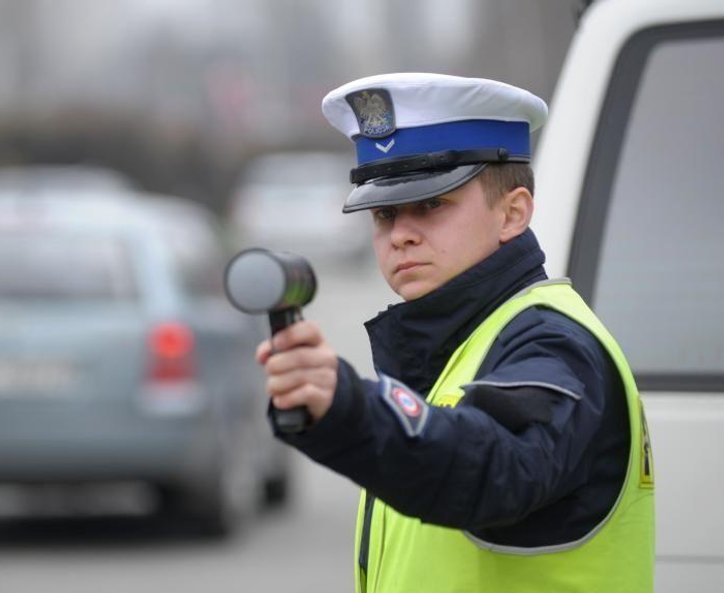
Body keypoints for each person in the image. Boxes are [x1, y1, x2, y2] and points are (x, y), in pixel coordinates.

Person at [255, 73, 655, 592]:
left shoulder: (553, 341)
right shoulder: (448, 346)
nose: (401, 234)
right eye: (384, 214)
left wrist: (352, 407)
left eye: (431, 205)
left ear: (513, 213)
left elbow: (497, 469)